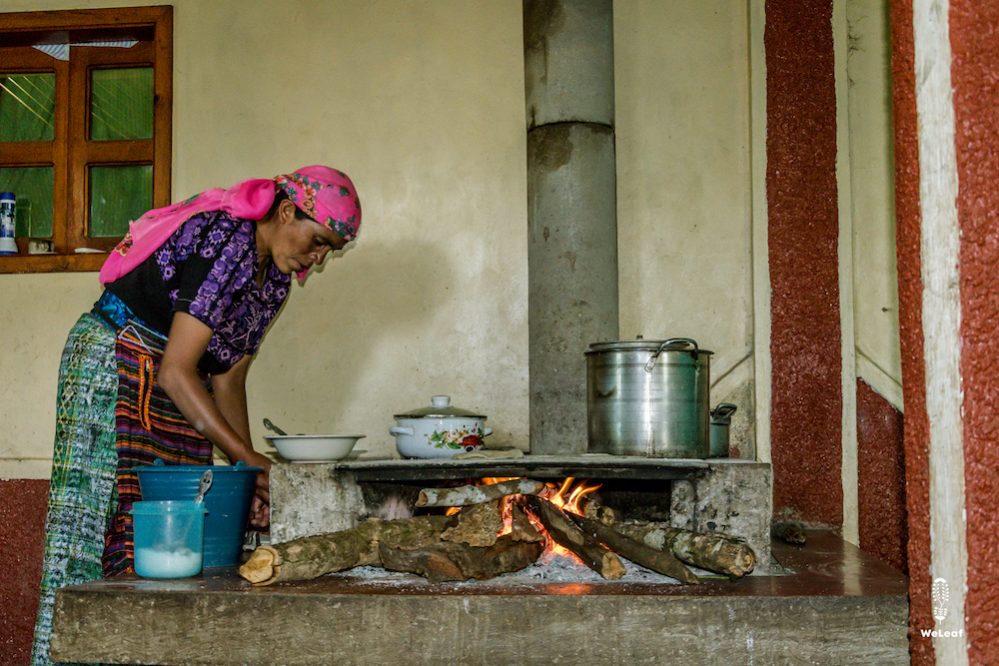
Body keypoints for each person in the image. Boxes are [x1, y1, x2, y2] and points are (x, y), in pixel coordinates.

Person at [30, 165, 361, 665]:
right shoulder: (226, 237)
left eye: (327, 252)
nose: (315, 259)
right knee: (97, 530)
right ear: (289, 211)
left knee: (171, 537)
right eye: (317, 241)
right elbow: (177, 372)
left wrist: (245, 475)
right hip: (113, 364)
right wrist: (249, 459)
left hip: (172, 384)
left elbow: (228, 377)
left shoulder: (274, 281)